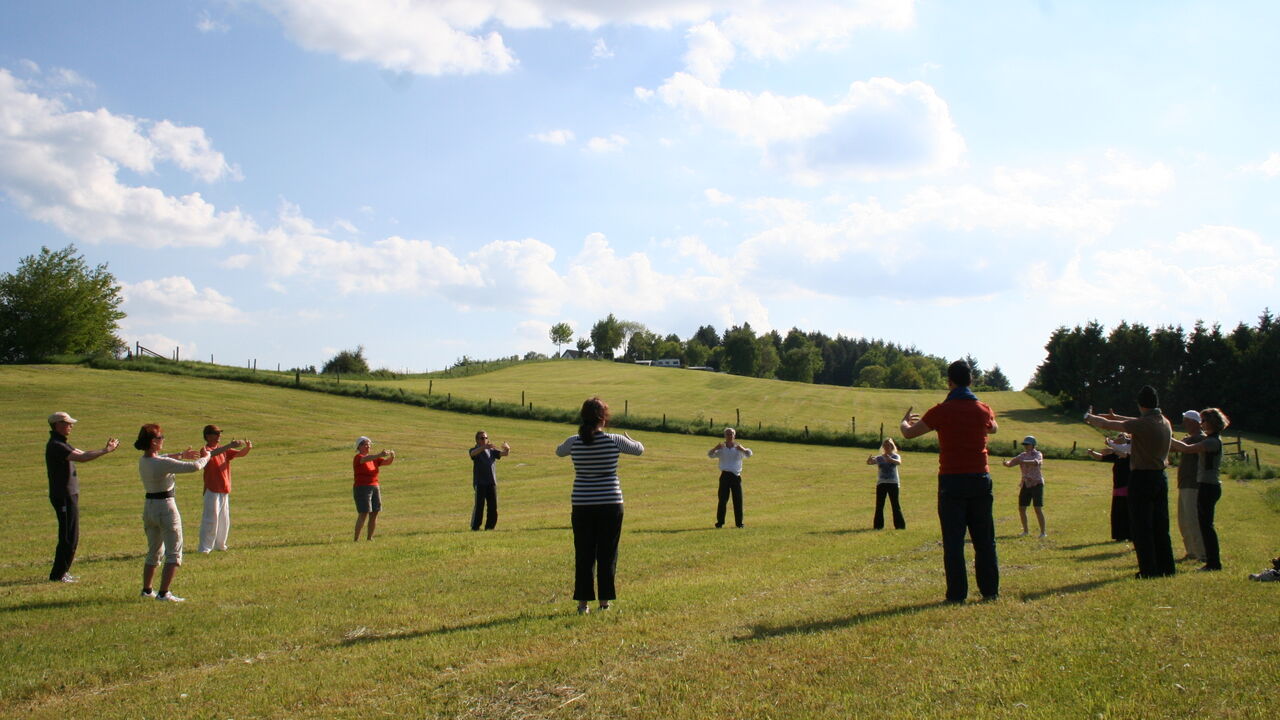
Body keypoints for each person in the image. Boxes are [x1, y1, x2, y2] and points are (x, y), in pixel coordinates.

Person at [900, 360, 1000, 604]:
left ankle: (957, 595)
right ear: (971, 381)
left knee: (953, 541)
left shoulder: (941, 411)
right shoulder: (983, 409)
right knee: (984, 539)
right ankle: (990, 591)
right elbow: (993, 428)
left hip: (952, 480)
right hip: (980, 477)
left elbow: (909, 433)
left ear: (949, 382)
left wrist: (904, 422)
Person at [556, 397, 643, 615]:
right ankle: (604, 602)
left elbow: (559, 451)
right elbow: (639, 449)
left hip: (582, 503)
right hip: (610, 502)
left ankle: (583, 603)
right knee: (607, 553)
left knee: (584, 553)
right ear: (603, 418)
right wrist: (630, 438)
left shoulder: (574, 441)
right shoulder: (614, 440)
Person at [1084, 385, 1176, 578]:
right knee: (1161, 525)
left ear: (1140, 404)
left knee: (1141, 526)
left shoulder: (1143, 424)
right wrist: (1116, 416)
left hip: (1142, 478)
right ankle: (1167, 567)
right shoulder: (1164, 421)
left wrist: (1089, 417)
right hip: (1160, 477)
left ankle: (1148, 570)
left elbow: (1107, 425)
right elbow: (1133, 421)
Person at [135, 423, 209, 601]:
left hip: (149, 507)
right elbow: (194, 467)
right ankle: (164, 593)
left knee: (154, 551)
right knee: (174, 552)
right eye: (160, 437)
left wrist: (181, 455)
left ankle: (147, 590)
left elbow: (163, 457)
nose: (163, 440)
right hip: (166, 507)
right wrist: (207, 456)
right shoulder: (161, 463)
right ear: (153, 442)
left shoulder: (144, 460)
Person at [45, 411, 119, 583]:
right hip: (63, 496)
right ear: (57, 425)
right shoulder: (56, 445)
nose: (71, 426)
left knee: (71, 535)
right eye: (67, 423)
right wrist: (106, 450)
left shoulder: (62, 443)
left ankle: (62, 572)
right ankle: (58, 575)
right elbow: (82, 457)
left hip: (68, 495)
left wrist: (105, 449)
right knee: (68, 536)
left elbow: (83, 453)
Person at [1168, 408, 1230, 572]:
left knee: (1206, 526)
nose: (1202, 424)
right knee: (1204, 525)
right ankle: (1210, 560)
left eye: (1204, 421)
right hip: (1206, 485)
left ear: (1211, 422)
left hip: (1208, 486)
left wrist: (1166, 436)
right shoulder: (1210, 439)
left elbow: (1187, 449)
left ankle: (1211, 561)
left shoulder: (1212, 441)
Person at [198, 424, 252, 553]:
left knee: (224, 520)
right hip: (212, 489)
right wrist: (229, 446)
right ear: (208, 436)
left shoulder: (223, 450)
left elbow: (240, 454)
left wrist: (247, 448)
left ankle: (220, 545)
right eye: (216, 433)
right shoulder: (205, 450)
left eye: (220, 433)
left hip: (224, 489)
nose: (219, 436)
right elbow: (210, 455)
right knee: (211, 520)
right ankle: (205, 548)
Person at [1173, 410, 1206, 563]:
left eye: (1186, 421)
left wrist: (1165, 436)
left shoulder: (1199, 438)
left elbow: (1179, 447)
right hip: (1185, 484)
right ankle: (1191, 551)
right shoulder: (1191, 438)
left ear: (1194, 422)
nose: (1184, 424)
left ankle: (1202, 553)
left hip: (1193, 485)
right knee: (1184, 520)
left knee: (1192, 520)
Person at [1087, 433, 1131, 542]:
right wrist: (1092, 453)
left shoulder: (1130, 455)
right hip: (1118, 487)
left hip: (1128, 487)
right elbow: (1102, 457)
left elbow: (1123, 454)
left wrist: (1113, 449)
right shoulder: (1117, 455)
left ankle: (1130, 535)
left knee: (1127, 512)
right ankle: (1119, 535)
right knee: (1117, 512)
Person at [708, 427, 753, 528]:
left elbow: (749, 454)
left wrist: (743, 449)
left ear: (734, 436)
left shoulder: (738, 448)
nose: (729, 436)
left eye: (731, 434)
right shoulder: (721, 448)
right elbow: (710, 455)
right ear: (725, 436)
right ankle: (720, 523)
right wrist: (715, 448)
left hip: (736, 476)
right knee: (722, 500)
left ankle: (739, 523)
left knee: (738, 500)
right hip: (725, 475)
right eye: (728, 434)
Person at [1004, 435, 1046, 538]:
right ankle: (1025, 531)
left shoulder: (1038, 454)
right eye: (1024, 444)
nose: (1025, 446)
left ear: (1033, 445)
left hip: (1037, 484)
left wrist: (1023, 462)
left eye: (1027, 444)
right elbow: (1011, 463)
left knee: (1037, 508)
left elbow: (1036, 463)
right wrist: (1006, 463)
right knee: (1022, 508)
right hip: (1025, 484)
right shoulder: (1022, 455)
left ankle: (1043, 533)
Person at [353, 436, 394, 541]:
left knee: (375, 512)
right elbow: (365, 459)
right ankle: (356, 539)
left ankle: (369, 537)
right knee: (364, 513)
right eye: (365, 444)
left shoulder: (373, 458)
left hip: (375, 486)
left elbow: (387, 462)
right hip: (362, 488)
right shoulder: (358, 457)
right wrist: (379, 455)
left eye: (369, 444)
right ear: (359, 447)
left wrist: (392, 456)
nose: (368, 446)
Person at [469, 430, 510, 531]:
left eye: (486, 438)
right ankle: (475, 526)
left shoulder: (491, 451)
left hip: (491, 482)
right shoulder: (475, 450)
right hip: (480, 482)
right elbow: (472, 454)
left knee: (493, 506)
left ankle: (490, 527)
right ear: (477, 440)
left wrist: (507, 449)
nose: (485, 440)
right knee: (479, 506)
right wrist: (484, 447)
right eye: (482, 438)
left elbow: (504, 454)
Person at [865, 438, 906, 530]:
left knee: (895, 505)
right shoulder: (879, 457)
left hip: (893, 483)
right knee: (879, 505)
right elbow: (870, 462)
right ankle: (878, 526)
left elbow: (898, 462)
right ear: (883, 447)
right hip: (881, 483)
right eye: (885, 445)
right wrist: (869, 460)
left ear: (892, 446)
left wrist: (890, 459)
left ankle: (900, 526)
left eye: (889, 445)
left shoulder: (896, 456)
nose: (887, 447)